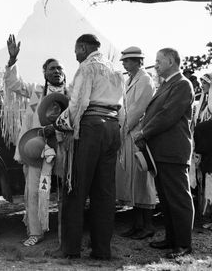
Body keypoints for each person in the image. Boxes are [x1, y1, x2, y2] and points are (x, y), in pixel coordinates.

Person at [53, 34, 124, 259]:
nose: (75, 55)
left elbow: (79, 103)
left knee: (75, 188)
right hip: (113, 127)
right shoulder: (115, 69)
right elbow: (123, 105)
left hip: (90, 127)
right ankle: (102, 250)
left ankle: (70, 249)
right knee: (104, 192)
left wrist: (61, 122)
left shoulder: (87, 67)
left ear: (83, 47)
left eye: (76, 50)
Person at [2, 34, 68, 247]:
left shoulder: (73, 92)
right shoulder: (36, 91)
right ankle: (36, 231)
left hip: (66, 148)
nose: (57, 71)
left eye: (59, 68)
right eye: (52, 69)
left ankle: (67, 230)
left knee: (69, 190)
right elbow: (12, 83)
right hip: (38, 149)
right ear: (45, 73)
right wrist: (12, 60)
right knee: (35, 189)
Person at [133, 48, 194, 259]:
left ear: (170, 61)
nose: (155, 65)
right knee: (166, 199)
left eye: (159, 61)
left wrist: (144, 132)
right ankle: (171, 239)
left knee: (178, 199)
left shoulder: (183, 85)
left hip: (173, 152)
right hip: (160, 152)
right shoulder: (168, 84)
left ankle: (184, 244)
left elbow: (168, 115)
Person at [116, 46, 156, 240]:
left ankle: (148, 225)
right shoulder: (130, 80)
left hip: (138, 135)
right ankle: (137, 224)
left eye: (127, 60)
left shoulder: (145, 80)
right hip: (128, 134)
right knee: (133, 181)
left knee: (142, 179)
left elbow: (138, 109)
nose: (124, 63)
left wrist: (122, 130)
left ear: (137, 61)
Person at [193, 73, 212, 227]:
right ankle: (203, 213)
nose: (202, 85)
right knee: (203, 179)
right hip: (202, 143)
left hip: (209, 144)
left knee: (210, 179)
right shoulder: (201, 101)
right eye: (201, 82)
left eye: (205, 83)